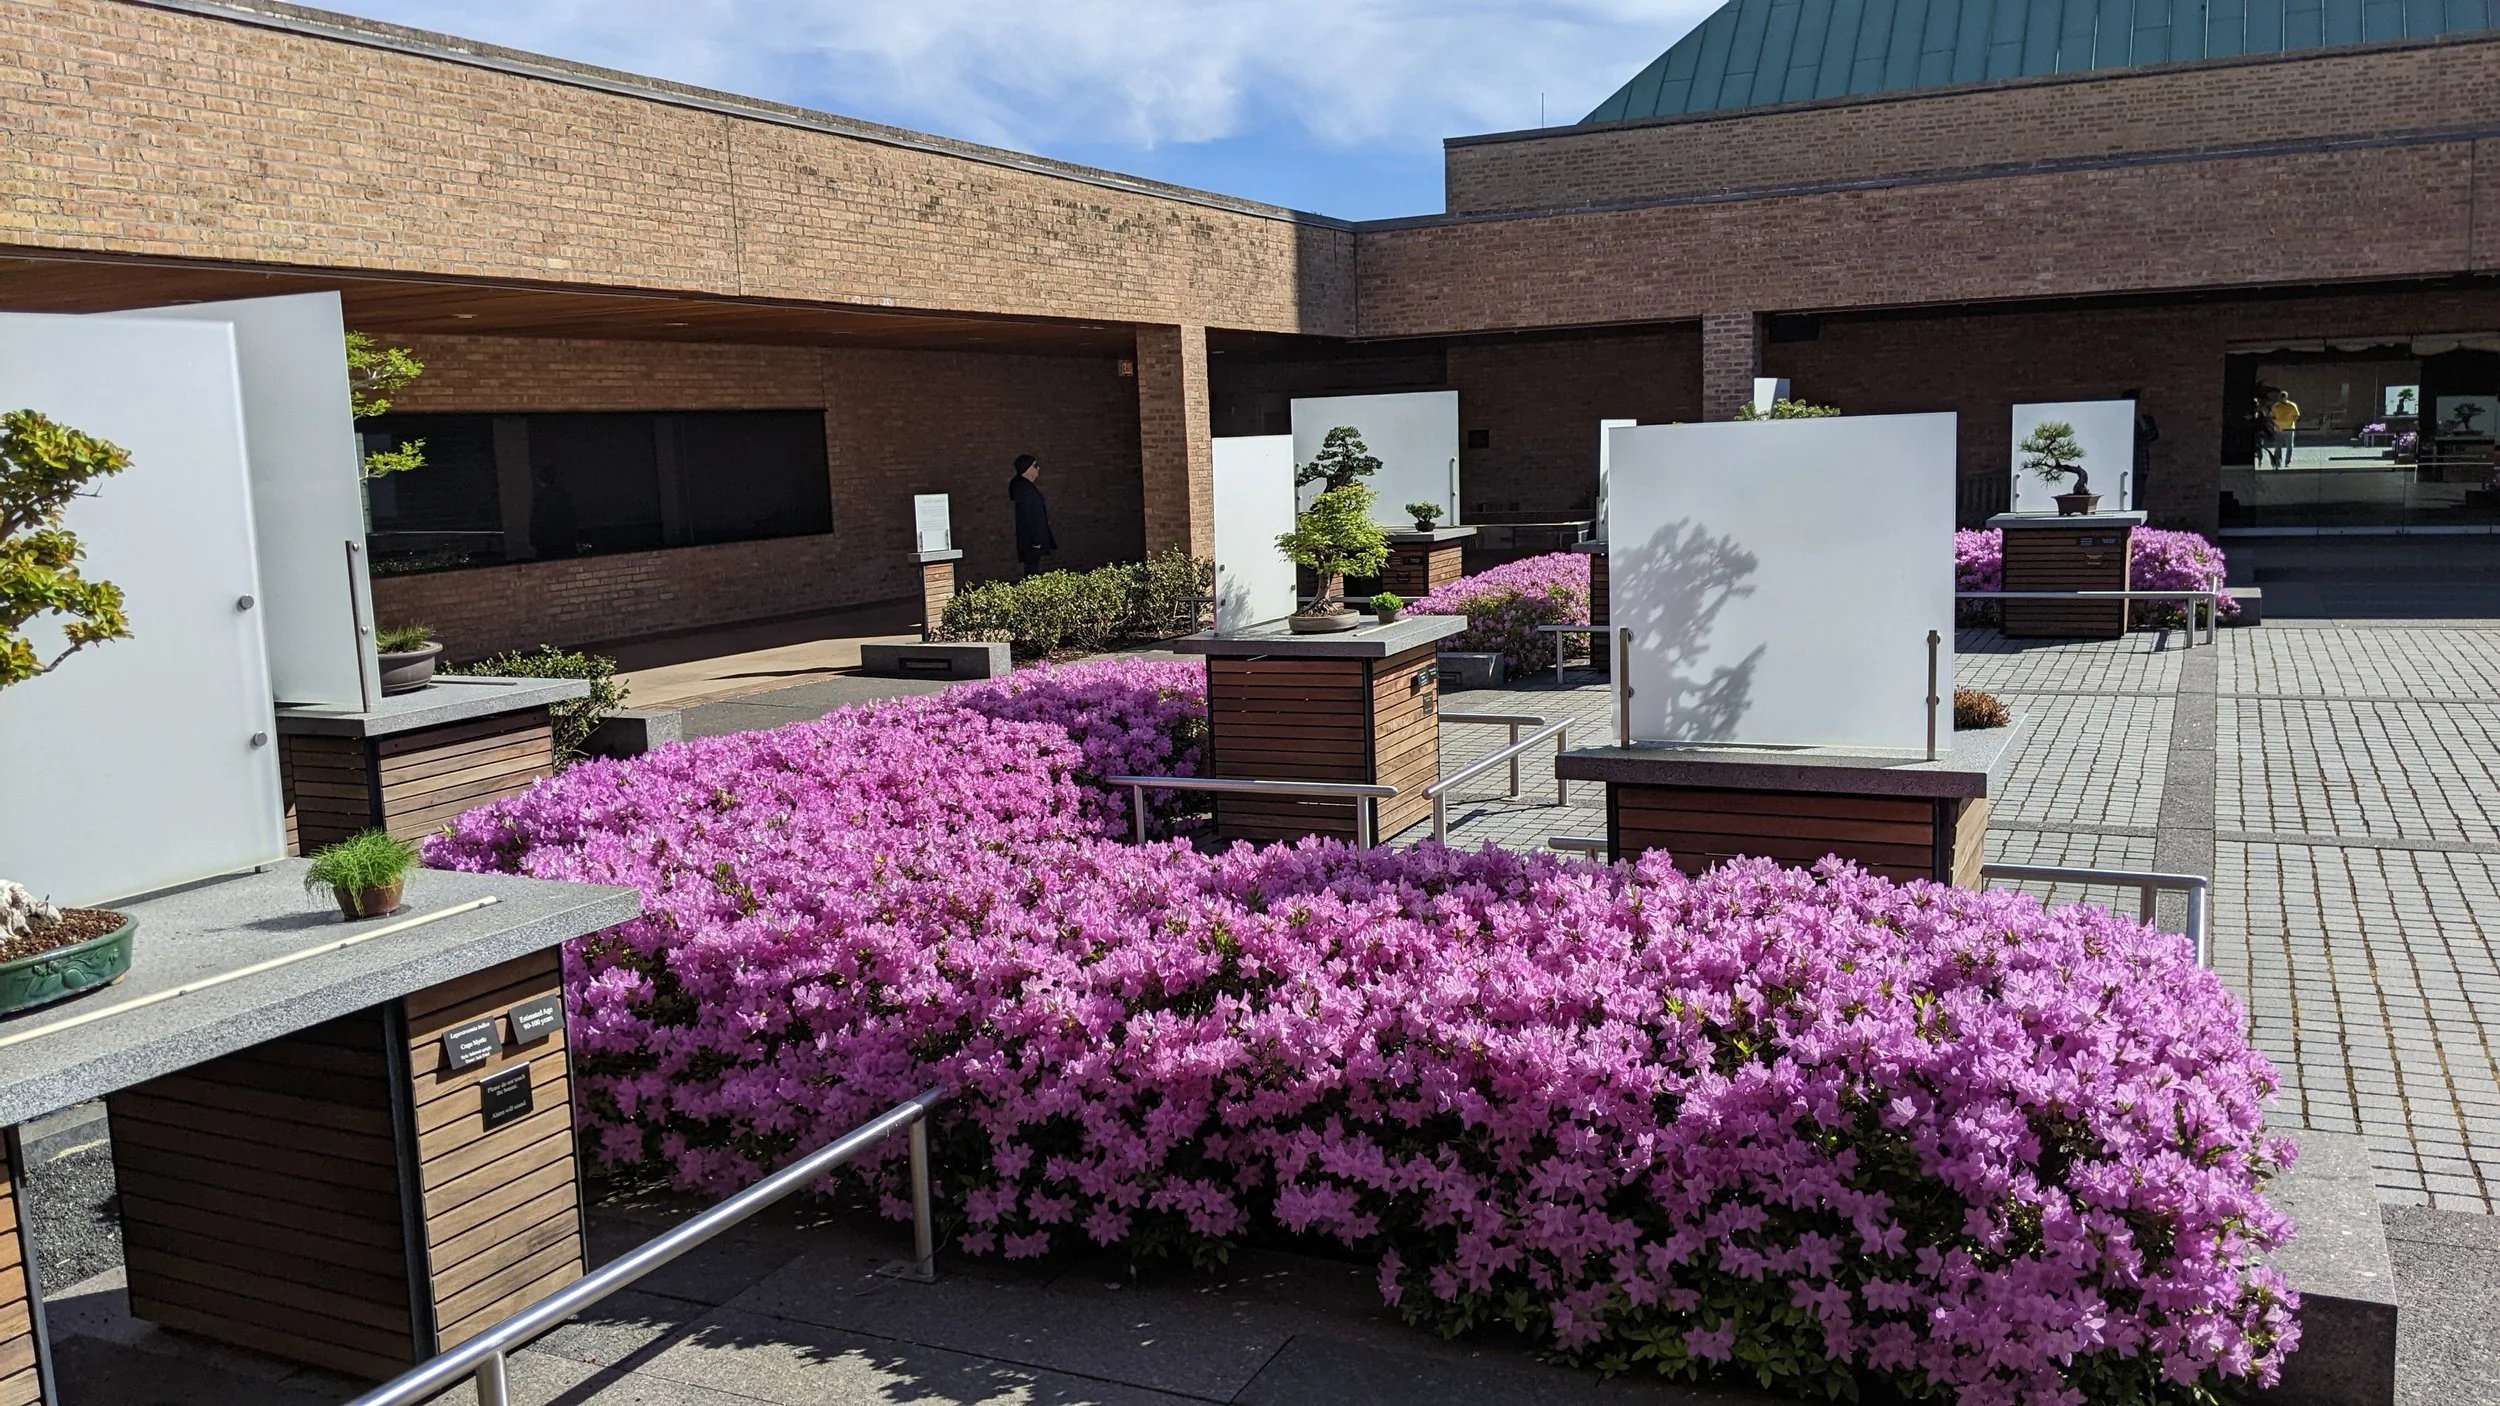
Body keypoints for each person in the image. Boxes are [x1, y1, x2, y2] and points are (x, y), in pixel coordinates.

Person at [1008, 453, 1055, 579]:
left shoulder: (1025, 487)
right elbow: (1027, 516)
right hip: (1032, 540)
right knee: (1031, 570)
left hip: (1033, 538)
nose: (1038, 469)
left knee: (1033, 568)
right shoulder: (1024, 490)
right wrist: (1034, 540)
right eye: (1035, 466)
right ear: (1027, 468)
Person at [528, 469, 577, 560]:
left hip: (547, 541)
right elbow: (571, 518)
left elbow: (537, 520)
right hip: (564, 540)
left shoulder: (541, 497)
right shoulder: (563, 496)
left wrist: (534, 539)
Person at [2268, 391, 2302, 468]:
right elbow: (2272, 416)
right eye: (2280, 397)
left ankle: (2287, 462)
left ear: (2286, 398)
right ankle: (2278, 461)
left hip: (2289, 429)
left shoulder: (2292, 405)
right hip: (2278, 429)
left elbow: (2296, 416)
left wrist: (2290, 421)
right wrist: (2275, 423)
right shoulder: (2276, 406)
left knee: (2289, 447)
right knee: (2278, 446)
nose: (2281, 399)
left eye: (2283, 397)